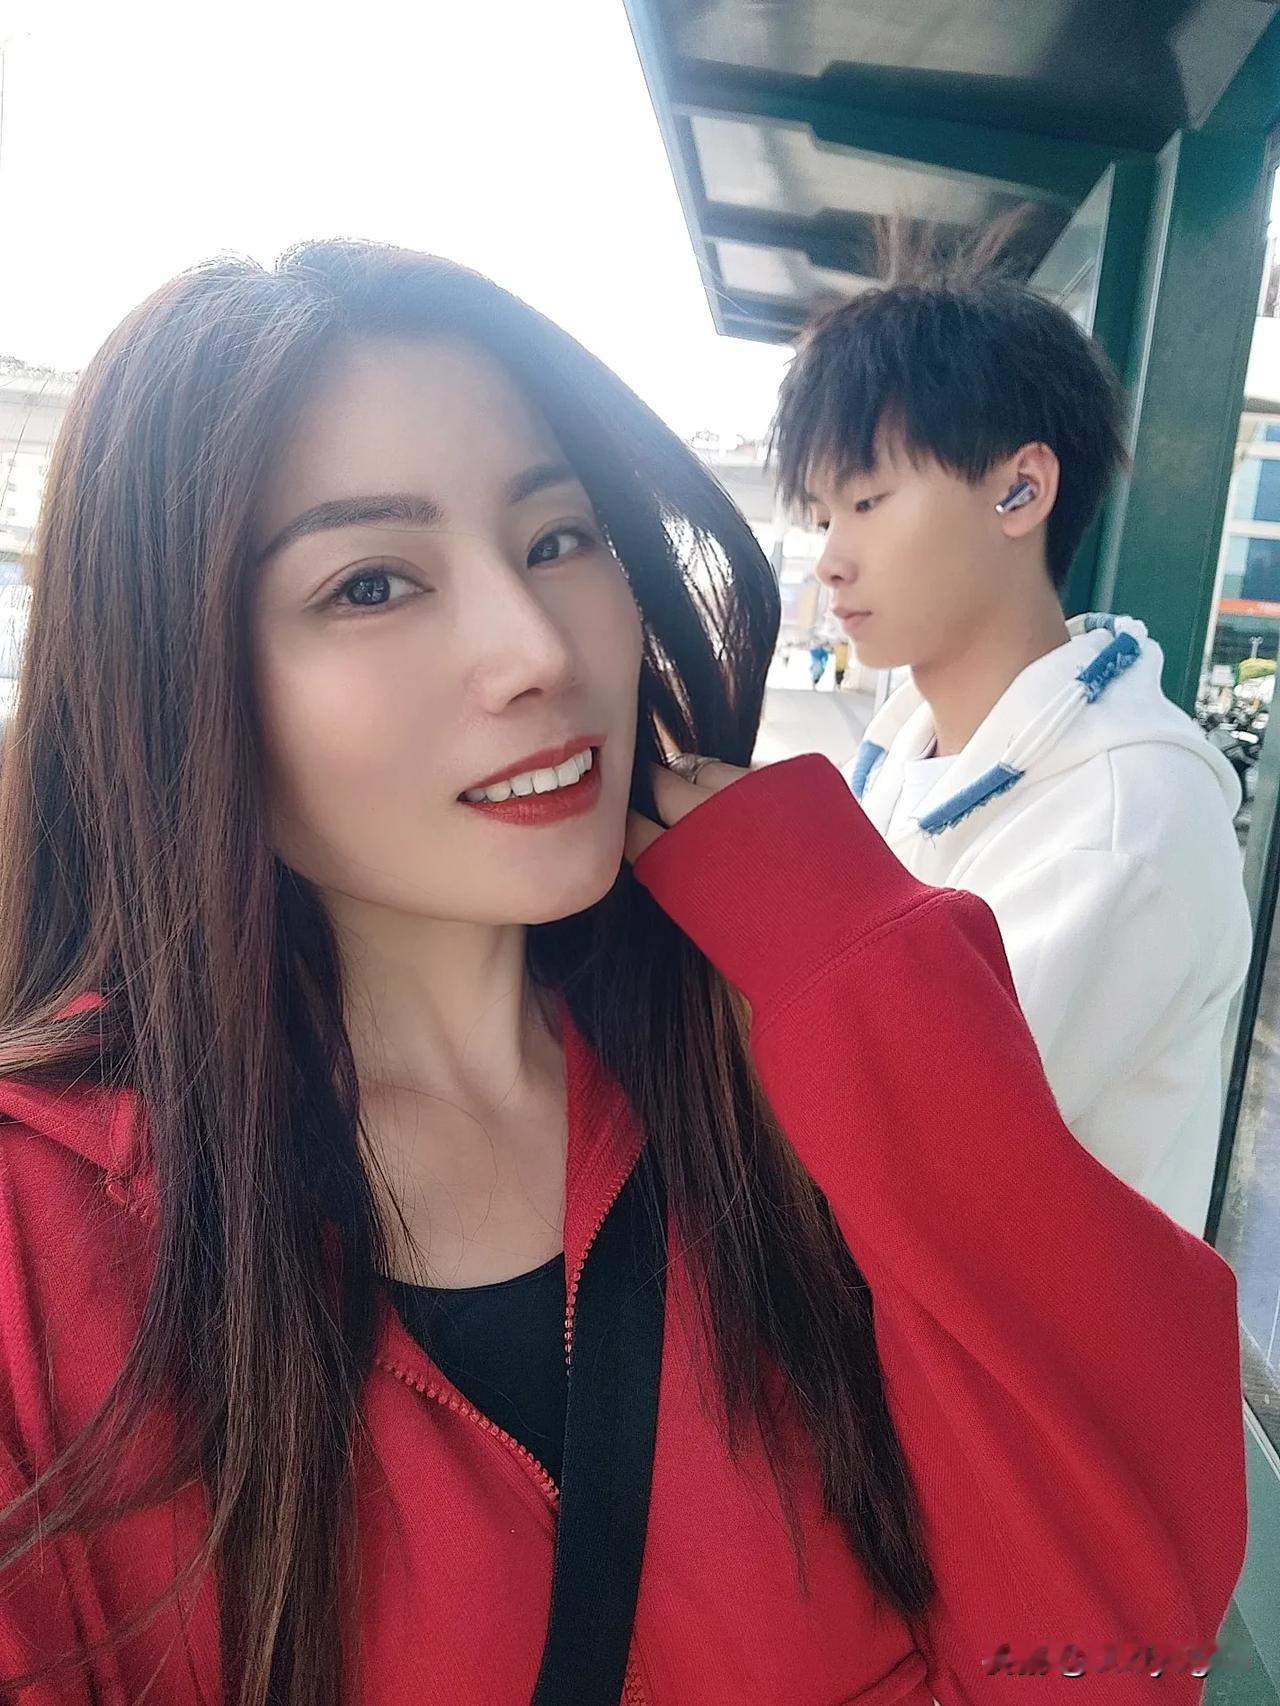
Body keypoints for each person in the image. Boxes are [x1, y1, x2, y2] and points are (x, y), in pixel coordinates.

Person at [0, 241, 1245, 1706]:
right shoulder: (45, 1233)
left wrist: (848, 956)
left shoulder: (753, 1069)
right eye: (373, 582)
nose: (536, 648)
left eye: (559, 537)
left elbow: (1108, 1643)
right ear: (176, 671)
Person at [771, 274, 1253, 1240]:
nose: (830, 558)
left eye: (866, 499)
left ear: (1021, 488)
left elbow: (901, 1152)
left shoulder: (1123, 819)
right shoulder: (909, 732)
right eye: (824, 516)